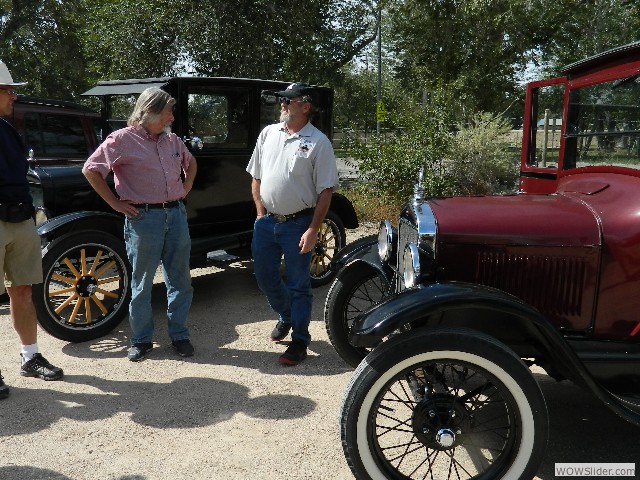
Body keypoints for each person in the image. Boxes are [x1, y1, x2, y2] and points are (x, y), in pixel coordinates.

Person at [83, 87, 197, 362]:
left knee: (180, 280)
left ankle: (179, 335)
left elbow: (191, 163)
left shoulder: (172, 140)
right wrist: (114, 203)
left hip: (176, 216)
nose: (172, 115)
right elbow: (91, 169)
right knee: (142, 284)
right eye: (168, 110)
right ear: (150, 111)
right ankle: (141, 340)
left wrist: (185, 188)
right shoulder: (121, 140)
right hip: (143, 219)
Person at [246, 82, 338, 366]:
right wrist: (260, 212)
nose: (282, 104)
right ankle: (286, 315)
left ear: (305, 106)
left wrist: (313, 229)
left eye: (288, 100)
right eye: (282, 100)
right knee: (264, 276)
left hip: (299, 223)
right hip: (267, 222)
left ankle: (299, 340)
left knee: (299, 285)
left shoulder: (318, 142)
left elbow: (326, 191)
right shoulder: (269, 133)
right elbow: (256, 176)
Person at [0, 60, 64, 400]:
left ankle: (30, 356)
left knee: (22, 291)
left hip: (19, 218)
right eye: (8, 90)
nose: (13, 97)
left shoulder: (7, 129)